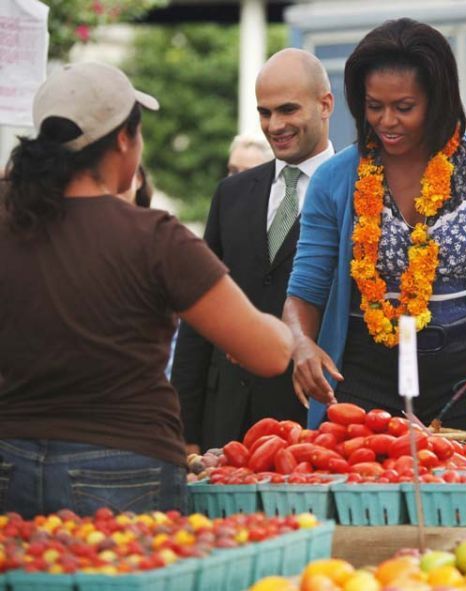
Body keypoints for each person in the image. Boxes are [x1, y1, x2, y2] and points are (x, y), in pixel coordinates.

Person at [0, 62, 293, 518]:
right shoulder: (154, 238)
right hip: (123, 468)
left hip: (8, 461)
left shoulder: (9, 222)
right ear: (123, 140)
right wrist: (287, 328)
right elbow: (270, 354)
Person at [283, 18, 466, 429]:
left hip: (465, 379)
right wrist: (301, 344)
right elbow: (303, 293)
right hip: (363, 376)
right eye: (373, 106)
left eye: (404, 107)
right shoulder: (335, 179)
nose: (386, 121)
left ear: (438, 101)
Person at [171, 49, 335, 452]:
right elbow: (198, 313)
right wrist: (185, 430)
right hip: (226, 423)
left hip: (316, 426)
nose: (274, 125)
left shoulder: (358, 188)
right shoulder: (232, 194)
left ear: (325, 104)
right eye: (264, 113)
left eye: (287, 110)